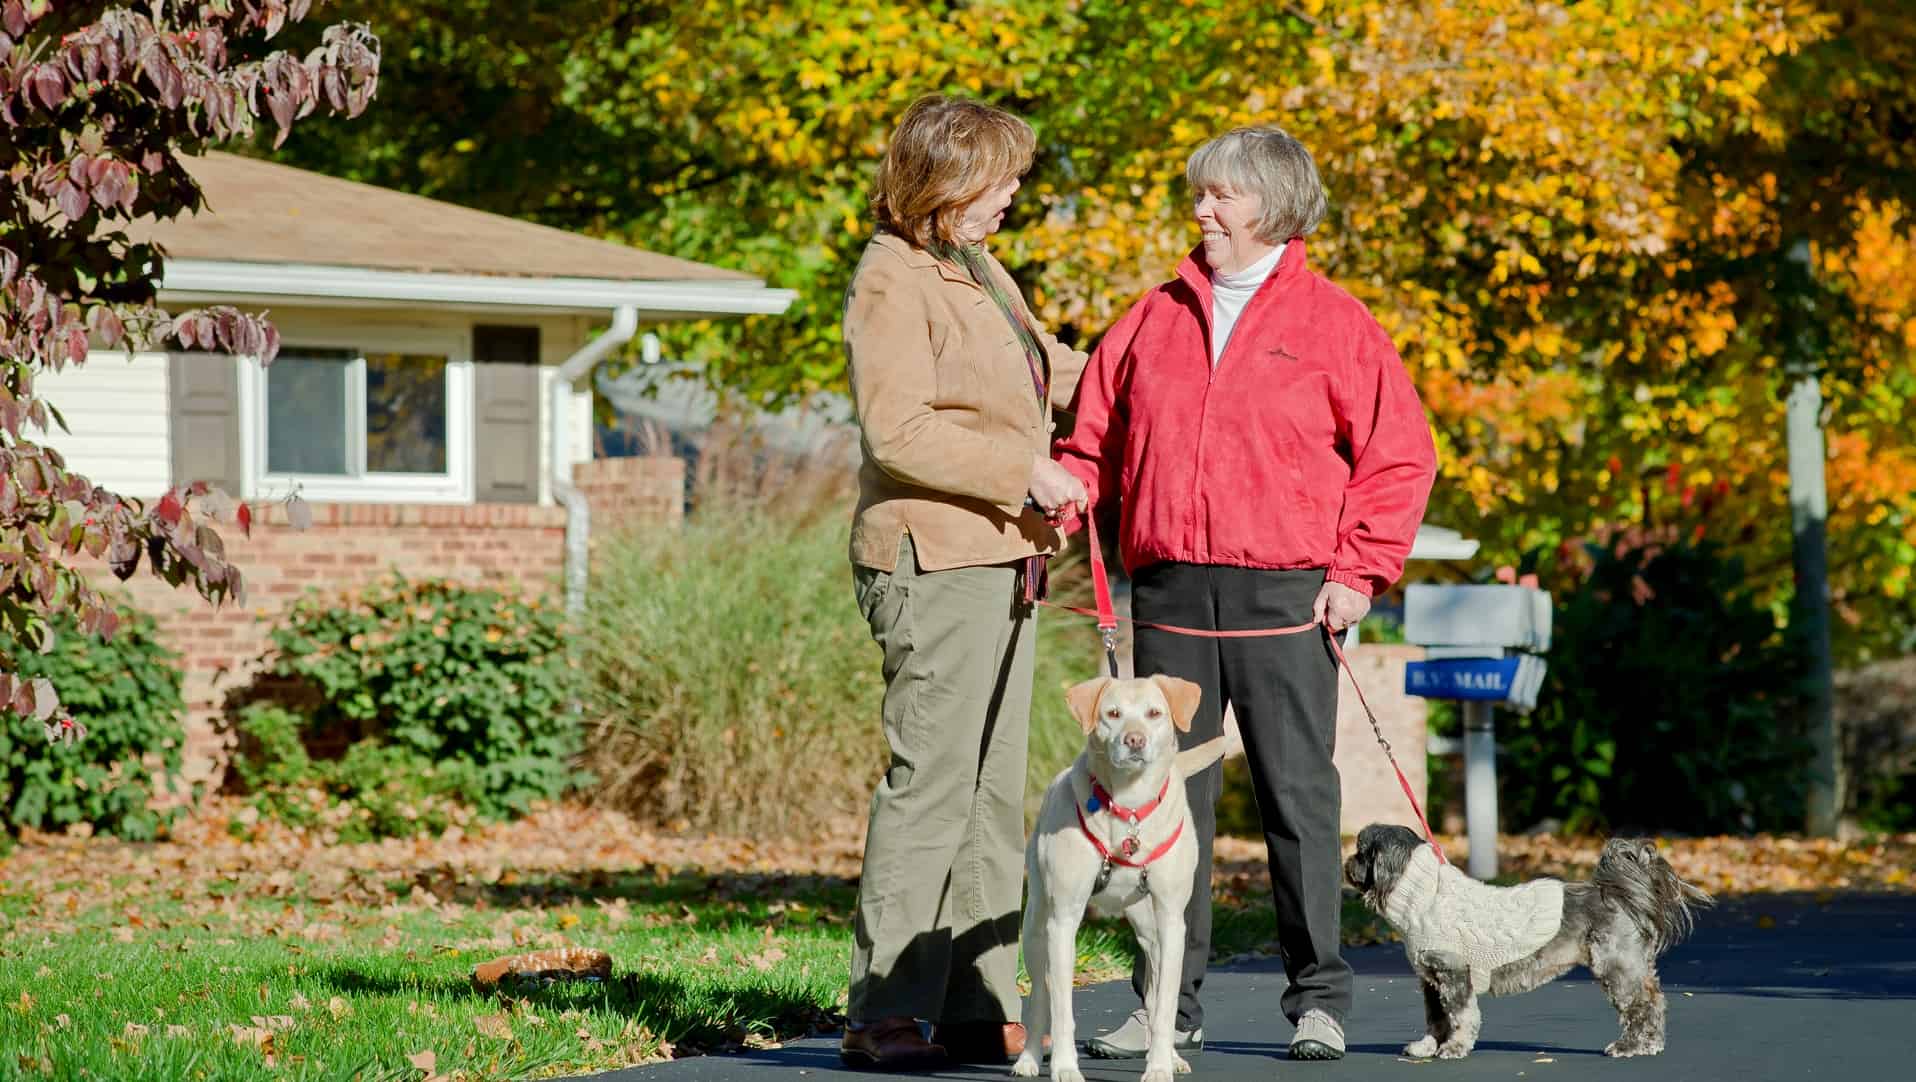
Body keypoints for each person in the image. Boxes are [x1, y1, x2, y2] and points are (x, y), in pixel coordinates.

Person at [1054, 125, 1437, 1062]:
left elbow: (1399, 456)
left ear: (1273, 205)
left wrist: (1358, 573)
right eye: (1200, 195)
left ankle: (1319, 1000)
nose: (1203, 211)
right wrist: (1059, 517)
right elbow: (1089, 443)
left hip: (1288, 593)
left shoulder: (1336, 323)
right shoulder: (1150, 318)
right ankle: (1165, 1010)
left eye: (1222, 196)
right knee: (1160, 798)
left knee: (1297, 797)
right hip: (1173, 585)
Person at [838, 94, 1089, 1070]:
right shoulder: (890, 278)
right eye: (1001, 179)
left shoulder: (979, 270)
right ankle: (881, 1009)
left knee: (990, 791)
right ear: (942, 178)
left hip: (999, 555)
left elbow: (1048, 373)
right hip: (929, 556)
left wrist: (1150, 369)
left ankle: (978, 997)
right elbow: (895, 430)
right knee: (931, 784)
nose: (1013, 196)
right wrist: (1019, 469)